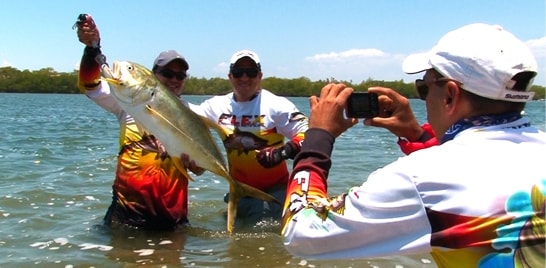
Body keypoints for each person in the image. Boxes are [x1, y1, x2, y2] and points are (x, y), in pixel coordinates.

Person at [281, 23, 545, 268]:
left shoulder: (421, 176)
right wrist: (417, 136)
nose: (424, 98)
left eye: (423, 88)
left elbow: (302, 232)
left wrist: (317, 137)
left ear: (450, 95)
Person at [76, 14, 204, 230]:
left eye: (180, 76)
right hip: (127, 217)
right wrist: (91, 48)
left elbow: (200, 168)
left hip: (173, 219)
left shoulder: (194, 115)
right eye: (167, 73)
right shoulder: (128, 103)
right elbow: (91, 85)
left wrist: (196, 166)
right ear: (153, 75)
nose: (174, 80)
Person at [196, 49, 308, 225]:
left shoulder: (277, 105)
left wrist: (282, 152)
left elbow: (309, 134)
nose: (244, 78)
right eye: (239, 72)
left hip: (275, 195)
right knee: (237, 249)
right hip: (239, 194)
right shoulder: (215, 106)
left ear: (260, 75)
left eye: (251, 72)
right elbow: (180, 116)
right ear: (230, 76)